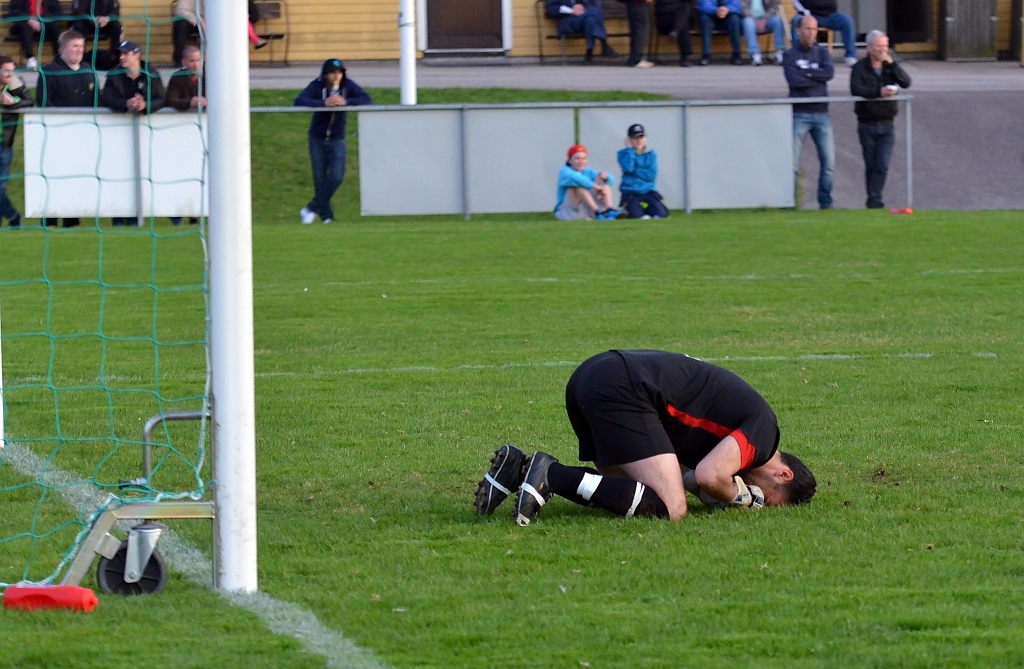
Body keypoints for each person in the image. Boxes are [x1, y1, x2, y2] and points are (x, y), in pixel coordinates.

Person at [475, 350, 816, 525]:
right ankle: (549, 473)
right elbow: (711, 476)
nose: (758, 495)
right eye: (768, 498)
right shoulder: (766, 435)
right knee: (672, 509)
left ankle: (519, 469)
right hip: (624, 387)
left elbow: (689, 473)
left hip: (593, 375)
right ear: (782, 475)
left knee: (633, 495)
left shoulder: (734, 436)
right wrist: (743, 499)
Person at [293, 58, 371, 225]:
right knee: (319, 179)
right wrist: (323, 103)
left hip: (337, 138)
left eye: (339, 72)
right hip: (317, 138)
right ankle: (327, 217)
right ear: (325, 74)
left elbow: (366, 99)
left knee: (336, 176)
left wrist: (346, 102)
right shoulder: (317, 85)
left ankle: (310, 208)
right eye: (333, 73)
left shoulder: (347, 85)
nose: (337, 76)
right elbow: (299, 101)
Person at [36, 30, 98, 227]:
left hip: (83, 136)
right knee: (54, 178)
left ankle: (72, 217)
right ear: (63, 48)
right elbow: (44, 102)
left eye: (81, 46)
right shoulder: (49, 71)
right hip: (56, 136)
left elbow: (96, 100)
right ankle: (50, 218)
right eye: (75, 46)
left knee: (77, 177)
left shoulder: (88, 70)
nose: (79, 50)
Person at [850, 30, 911, 210]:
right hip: (866, 123)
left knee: (882, 164)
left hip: (887, 123)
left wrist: (893, 66)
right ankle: (873, 200)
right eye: (879, 47)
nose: (883, 51)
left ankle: (875, 200)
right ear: (869, 48)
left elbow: (906, 82)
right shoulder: (860, 68)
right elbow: (856, 90)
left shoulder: (889, 67)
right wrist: (878, 93)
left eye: (885, 46)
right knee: (871, 164)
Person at [784, 14, 835, 210]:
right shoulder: (789, 55)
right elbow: (793, 81)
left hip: (822, 113)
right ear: (798, 31)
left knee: (828, 163)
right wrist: (816, 77)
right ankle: (790, 202)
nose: (811, 33)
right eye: (807, 29)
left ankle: (826, 202)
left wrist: (806, 73)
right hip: (799, 114)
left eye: (814, 29)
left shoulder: (823, 53)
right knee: (792, 164)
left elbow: (829, 74)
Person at [166, 44, 203, 225]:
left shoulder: (208, 77)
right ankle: (177, 215)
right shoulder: (177, 78)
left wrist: (205, 102)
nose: (195, 64)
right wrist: (189, 102)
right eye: (192, 61)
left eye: (198, 60)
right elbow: (171, 100)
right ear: (184, 62)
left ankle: (195, 214)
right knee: (180, 170)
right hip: (180, 133)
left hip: (200, 133)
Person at [0, 54, 31, 228]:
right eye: (6, 70)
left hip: (5, 145)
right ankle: (13, 216)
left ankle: (13, 217)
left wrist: (12, 102)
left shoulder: (14, 85)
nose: (10, 74)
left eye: (12, 70)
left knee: (1, 188)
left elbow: (28, 101)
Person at [554, 144, 621, 221]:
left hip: (584, 207)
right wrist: (594, 186)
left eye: (584, 158)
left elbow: (611, 180)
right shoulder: (564, 171)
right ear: (570, 160)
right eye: (577, 158)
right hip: (568, 211)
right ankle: (597, 212)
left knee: (601, 180)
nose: (581, 162)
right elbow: (576, 179)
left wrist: (606, 177)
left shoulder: (587, 171)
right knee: (576, 186)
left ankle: (609, 210)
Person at [617, 124, 668, 219]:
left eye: (641, 137)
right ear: (630, 139)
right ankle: (629, 210)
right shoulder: (623, 154)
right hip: (631, 191)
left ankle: (645, 210)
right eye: (635, 138)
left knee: (662, 213)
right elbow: (629, 168)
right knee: (636, 215)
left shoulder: (651, 154)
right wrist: (630, 150)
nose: (639, 140)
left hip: (648, 191)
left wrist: (635, 169)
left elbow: (651, 175)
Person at [545, 0, 618, 64]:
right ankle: (604, 44)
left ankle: (589, 52)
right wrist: (571, 11)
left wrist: (584, 10)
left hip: (584, 20)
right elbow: (551, 8)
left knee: (590, 20)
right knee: (597, 12)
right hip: (568, 22)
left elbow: (595, 4)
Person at [791, 0, 857, 66]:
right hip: (809, 14)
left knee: (848, 21)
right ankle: (798, 56)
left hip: (830, 15)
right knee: (796, 21)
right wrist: (805, 13)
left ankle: (850, 56)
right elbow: (796, 2)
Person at [4, 0, 63, 71]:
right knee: (24, 26)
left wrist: (41, 20)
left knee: (55, 27)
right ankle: (30, 58)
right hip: (25, 24)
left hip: (45, 24)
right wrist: (29, 19)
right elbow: (13, 11)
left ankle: (58, 57)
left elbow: (56, 12)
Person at [697, 0, 743, 66]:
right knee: (704, 19)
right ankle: (706, 55)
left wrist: (727, 9)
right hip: (711, 17)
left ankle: (736, 55)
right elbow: (703, 7)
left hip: (727, 16)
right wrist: (717, 10)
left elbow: (737, 7)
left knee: (735, 19)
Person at [741, 0, 785, 66]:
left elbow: (774, 6)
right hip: (750, 18)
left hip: (768, 19)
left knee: (777, 21)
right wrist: (755, 20)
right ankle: (755, 54)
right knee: (748, 23)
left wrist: (765, 18)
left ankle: (780, 53)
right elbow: (743, 8)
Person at [654, 0, 693, 67]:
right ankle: (685, 58)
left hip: (678, 20)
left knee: (685, 12)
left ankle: (675, 31)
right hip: (664, 21)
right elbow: (661, 4)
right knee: (683, 22)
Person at [621, 0, 653, 68]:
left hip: (633, 3)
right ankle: (637, 59)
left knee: (635, 30)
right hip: (640, 2)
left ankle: (633, 58)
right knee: (641, 30)